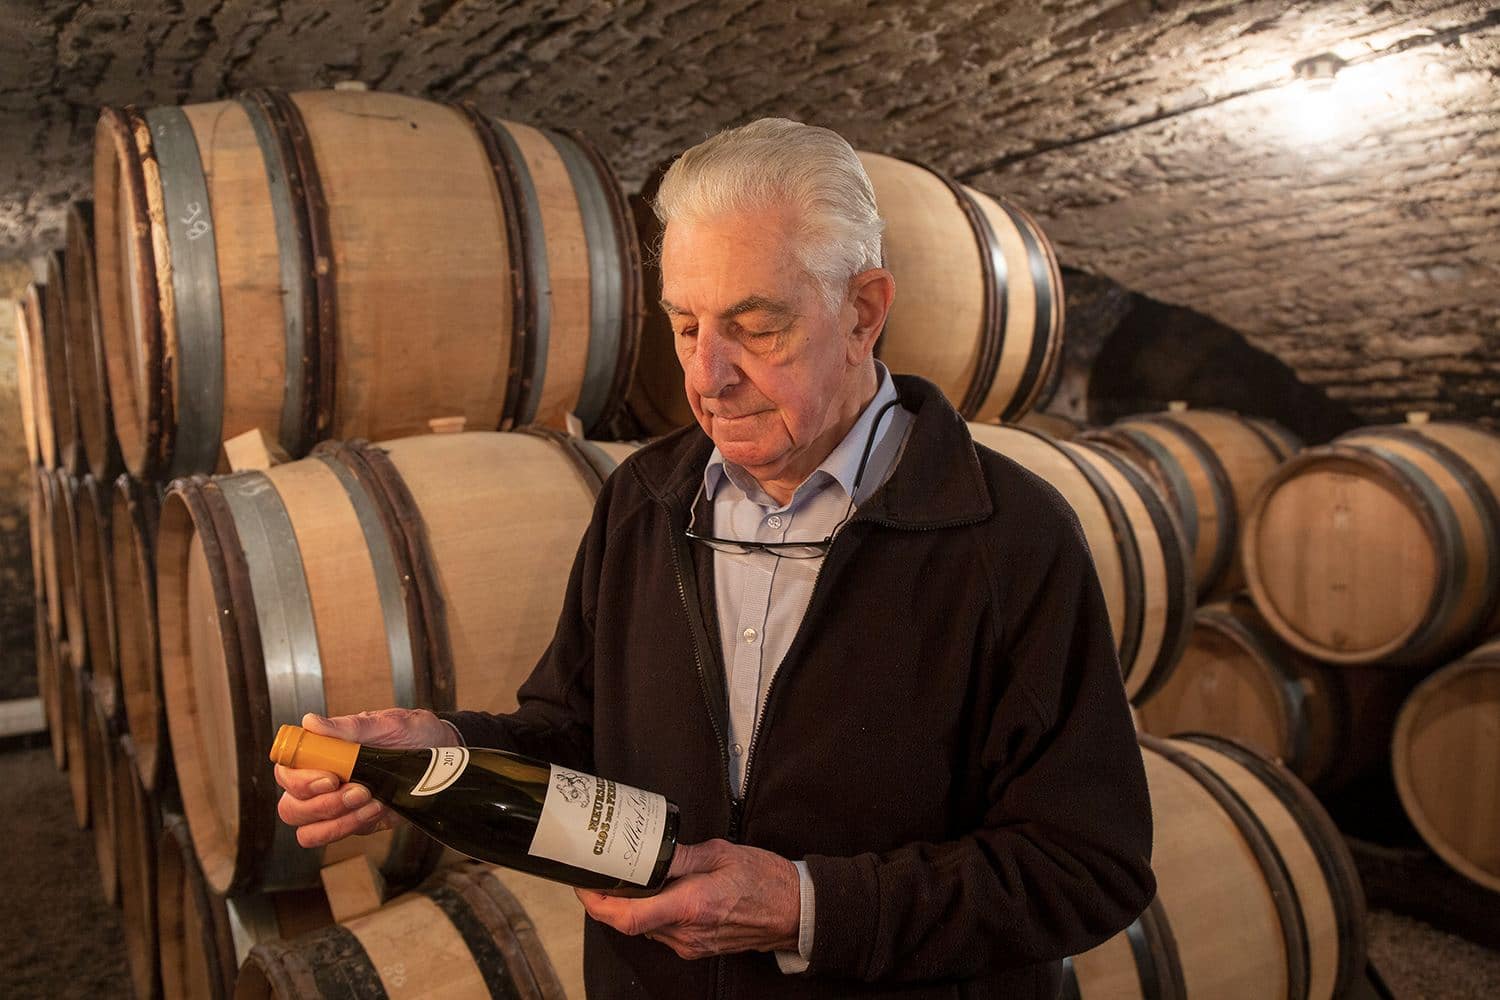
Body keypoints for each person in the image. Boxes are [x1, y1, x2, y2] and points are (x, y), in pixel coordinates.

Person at [275, 117, 1154, 999]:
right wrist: (446, 751)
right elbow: (575, 739)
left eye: (755, 327)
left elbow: (1088, 866)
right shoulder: (646, 499)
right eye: (686, 325)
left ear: (862, 312)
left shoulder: (1009, 539)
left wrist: (811, 909)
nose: (706, 375)